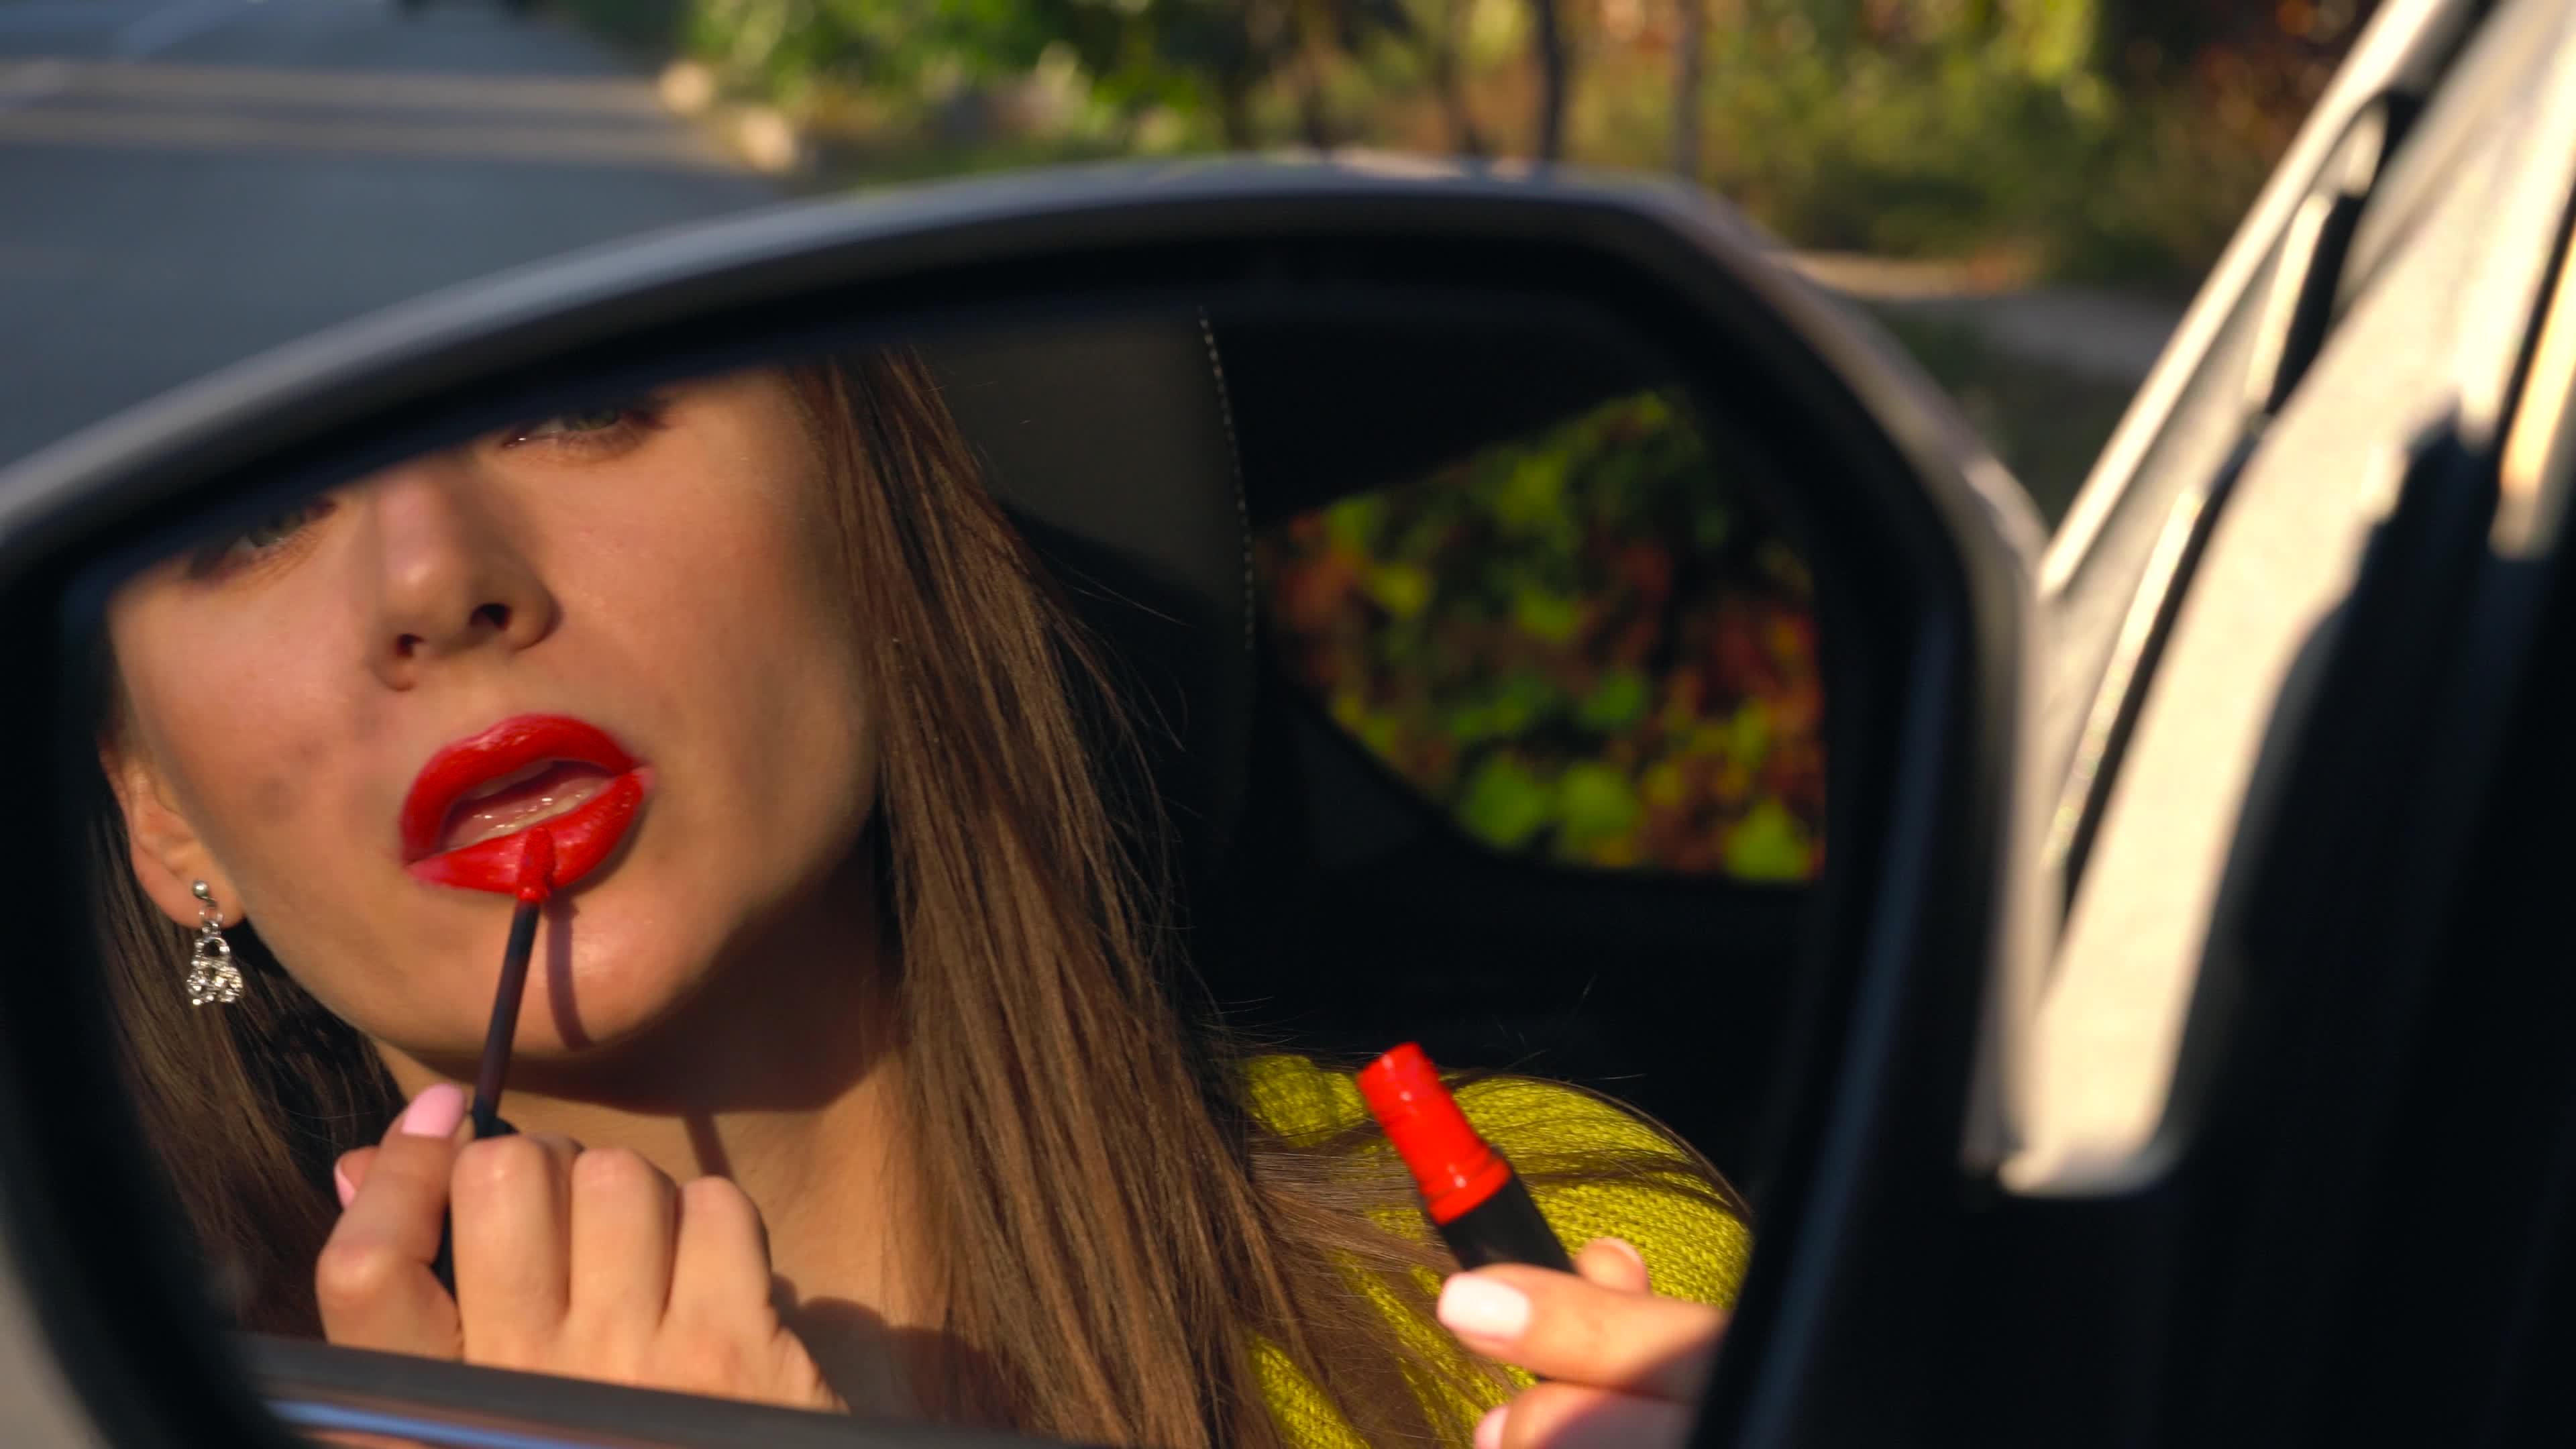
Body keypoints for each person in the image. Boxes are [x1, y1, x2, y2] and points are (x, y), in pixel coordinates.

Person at [85, 353, 1751, 1448]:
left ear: (865, 519)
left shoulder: (1531, 1313)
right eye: (251, 514)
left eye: (583, 394)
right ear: (160, 812)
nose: (440, 580)